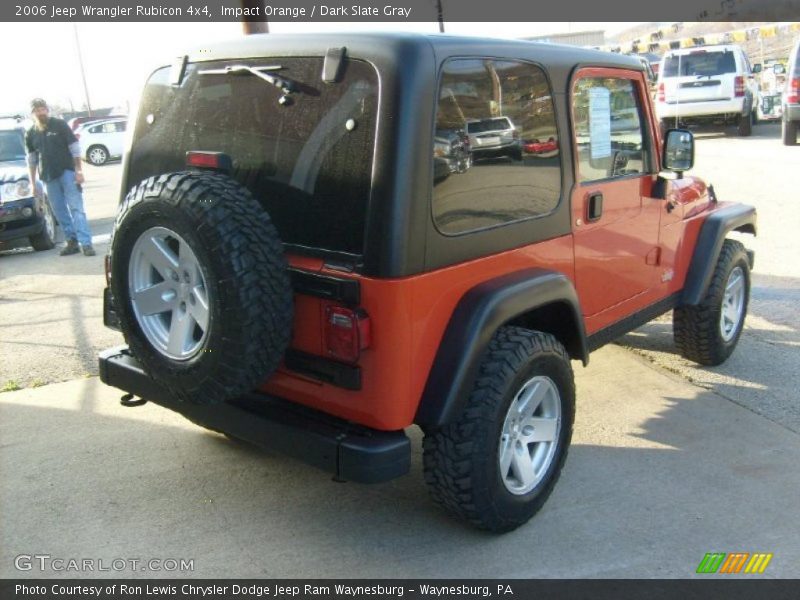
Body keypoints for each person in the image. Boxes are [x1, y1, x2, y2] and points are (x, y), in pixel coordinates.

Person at [25, 98, 95, 256]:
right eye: (37, 110)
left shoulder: (59, 125)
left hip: (67, 172)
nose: (41, 112)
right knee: (59, 211)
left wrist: (79, 170)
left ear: (47, 110)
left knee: (77, 208)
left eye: (43, 109)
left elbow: (75, 148)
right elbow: (32, 159)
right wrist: (32, 183)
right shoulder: (30, 133)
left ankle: (86, 244)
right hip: (48, 177)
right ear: (32, 113)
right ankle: (72, 242)